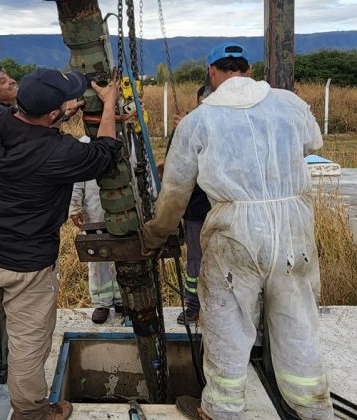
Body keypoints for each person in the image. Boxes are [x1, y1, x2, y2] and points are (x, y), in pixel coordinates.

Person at [143, 42, 334, 419]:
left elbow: (176, 190)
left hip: (235, 231)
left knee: (228, 322)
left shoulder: (200, 119)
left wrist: (157, 233)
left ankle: (222, 409)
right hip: (294, 228)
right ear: (247, 69)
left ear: (212, 73)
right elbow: (315, 141)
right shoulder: (288, 103)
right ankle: (313, 408)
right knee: (298, 321)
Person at [0, 68, 124, 420]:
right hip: (27, 266)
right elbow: (104, 153)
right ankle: (30, 412)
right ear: (52, 113)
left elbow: (27, 128)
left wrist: (58, 115)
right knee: (27, 343)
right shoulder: (60, 152)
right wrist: (109, 103)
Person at [158, 86, 212, 325]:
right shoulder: (186, 130)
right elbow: (173, 171)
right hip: (197, 209)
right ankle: (194, 304)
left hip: (229, 209)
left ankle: (221, 306)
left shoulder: (236, 130)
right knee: (196, 260)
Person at [68, 135, 122, 324]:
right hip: (95, 214)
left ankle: (121, 299)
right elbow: (76, 179)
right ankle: (102, 302)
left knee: (124, 255)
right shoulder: (84, 144)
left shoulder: (128, 138)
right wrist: (74, 207)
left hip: (124, 213)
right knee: (99, 260)